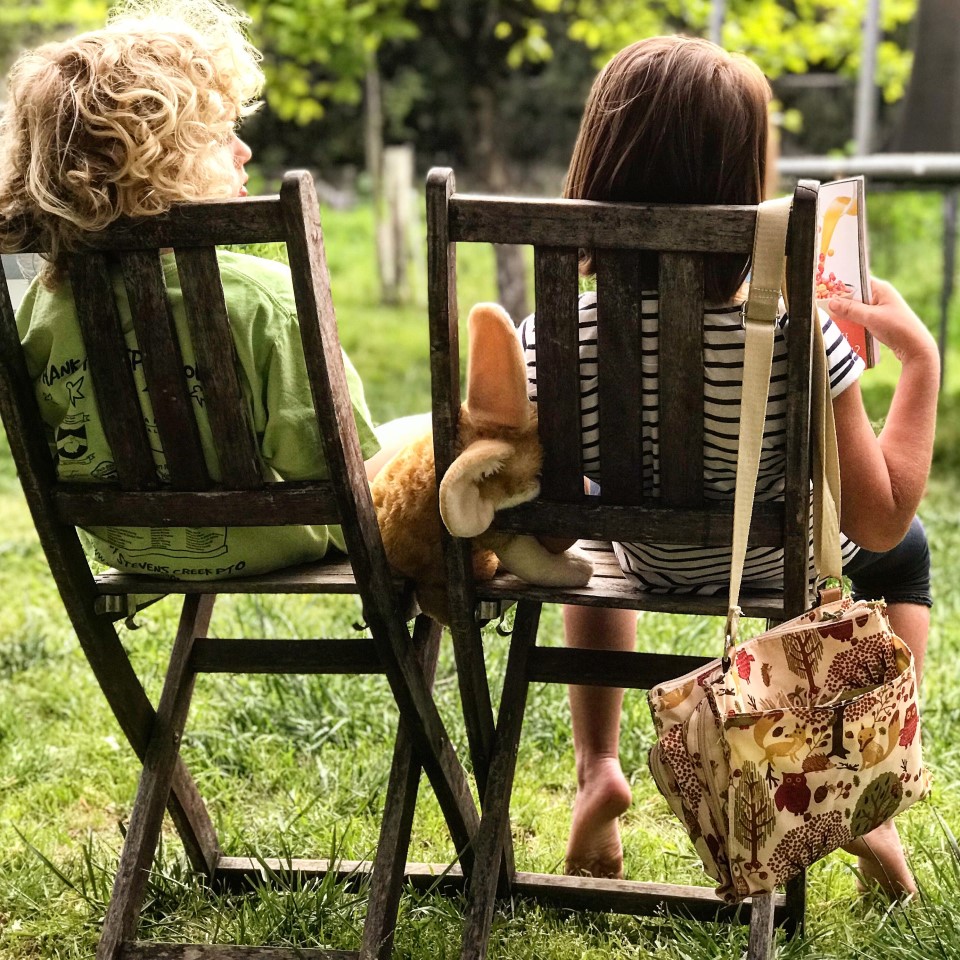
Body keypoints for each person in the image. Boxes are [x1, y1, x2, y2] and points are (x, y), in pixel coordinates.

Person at [517, 36, 938, 896]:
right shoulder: (801, 338)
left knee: (596, 544)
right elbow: (878, 519)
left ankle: (599, 766)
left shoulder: (554, 336)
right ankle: (871, 797)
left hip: (643, 561)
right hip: (771, 568)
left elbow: (554, 519)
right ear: (747, 184)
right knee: (912, 550)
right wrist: (922, 363)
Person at [0, 0, 427, 580]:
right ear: (162, 164)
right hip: (274, 538)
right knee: (427, 432)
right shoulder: (264, 297)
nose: (244, 150)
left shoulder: (40, 309)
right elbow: (340, 468)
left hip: (134, 546)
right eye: (222, 135)